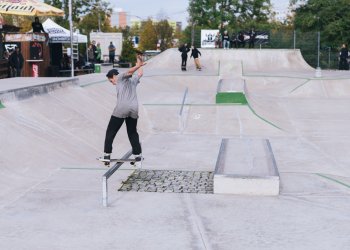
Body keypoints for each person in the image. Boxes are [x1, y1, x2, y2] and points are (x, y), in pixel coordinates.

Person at [102, 54, 146, 167]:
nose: (112, 83)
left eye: (111, 81)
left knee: (111, 131)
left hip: (122, 107)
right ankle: (137, 155)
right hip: (134, 109)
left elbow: (130, 71)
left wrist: (137, 65)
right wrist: (139, 63)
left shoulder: (119, 77)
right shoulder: (133, 80)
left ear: (113, 76)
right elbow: (140, 74)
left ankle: (107, 154)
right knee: (132, 132)